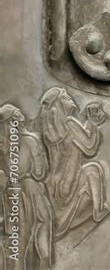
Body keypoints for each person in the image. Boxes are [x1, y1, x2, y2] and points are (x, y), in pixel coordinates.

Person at [39, 88, 110, 239]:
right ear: (59, 103)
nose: (70, 97)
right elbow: (90, 148)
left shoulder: (49, 131)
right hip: (70, 184)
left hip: (54, 188)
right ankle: (98, 211)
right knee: (93, 169)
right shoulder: (69, 124)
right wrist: (92, 123)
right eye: (65, 96)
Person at [0, 104, 54, 269]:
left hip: (12, 194)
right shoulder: (31, 140)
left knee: (18, 239)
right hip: (32, 190)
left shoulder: (3, 146)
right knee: (42, 225)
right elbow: (40, 173)